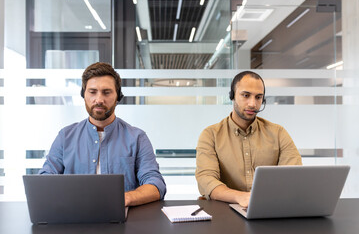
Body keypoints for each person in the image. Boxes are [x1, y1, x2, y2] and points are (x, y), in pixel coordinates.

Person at [39, 62, 166, 207]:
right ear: (83, 94)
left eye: (106, 92)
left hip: (123, 220)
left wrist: (125, 198)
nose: (99, 100)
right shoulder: (65, 137)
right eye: (92, 92)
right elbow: (44, 181)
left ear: (118, 96)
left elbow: (156, 184)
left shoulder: (137, 138)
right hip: (75, 217)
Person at [195, 71, 302, 207]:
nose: (252, 104)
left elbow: (293, 176)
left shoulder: (278, 133)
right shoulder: (211, 135)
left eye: (258, 97)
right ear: (232, 96)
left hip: (270, 208)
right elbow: (206, 179)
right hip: (225, 211)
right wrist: (241, 197)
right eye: (246, 95)